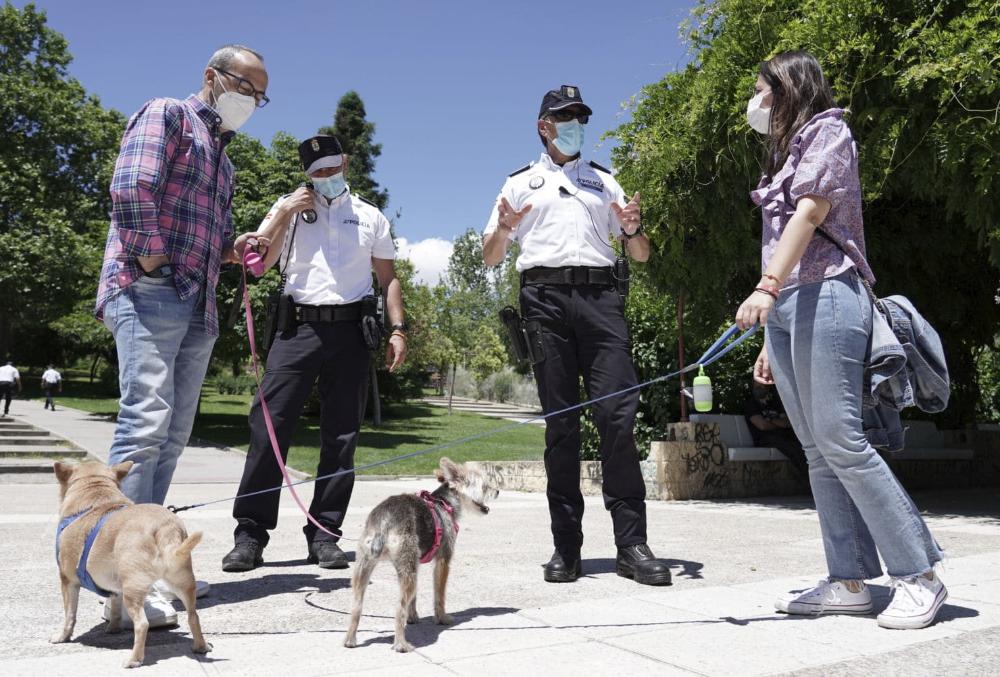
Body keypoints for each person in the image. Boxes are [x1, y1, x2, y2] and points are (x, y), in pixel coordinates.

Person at [735, 51, 947, 629]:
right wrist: (770, 333)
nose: (756, 102)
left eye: (762, 90)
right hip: (789, 308)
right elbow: (782, 233)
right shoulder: (782, 155)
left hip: (827, 293)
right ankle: (848, 579)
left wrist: (767, 286)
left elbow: (810, 214)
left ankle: (919, 574)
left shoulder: (830, 131)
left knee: (842, 440)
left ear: (788, 89)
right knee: (816, 451)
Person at [94, 44, 270, 625]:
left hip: (197, 304)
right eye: (246, 87)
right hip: (150, 291)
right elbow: (130, 189)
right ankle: (123, 578)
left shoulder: (226, 162)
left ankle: (150, 564)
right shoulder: (167, 114)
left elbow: (206, 242)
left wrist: (232, 249)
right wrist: (151, 264)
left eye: (259, 96)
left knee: (172, 435)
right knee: (145, 423)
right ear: (212, 78)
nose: (252, 101)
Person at [482, 85, 671, 586]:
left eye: (580, 116)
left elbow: (641, 254)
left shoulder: (605, 181)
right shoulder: (519, 183)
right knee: (562, 427)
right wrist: (503, 229)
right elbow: (491, 256)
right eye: (565, 116)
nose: (575, 123)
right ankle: (566, 548)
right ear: (544, 125)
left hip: (602, 303)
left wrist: (632, 229)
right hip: (544, 303)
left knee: (618, 417)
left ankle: (632, 544)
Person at [221, 134, 407, 572]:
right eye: (317, 171)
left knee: (341, 437)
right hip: (297, 329)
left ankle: (325, 533)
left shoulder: (370, 217)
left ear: (345, 161)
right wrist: (284, 212)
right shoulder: (289, 209)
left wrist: (399, 329)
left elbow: (388, 278)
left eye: (332, 166)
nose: (327, 176)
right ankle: (250, 534)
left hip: (351, 333)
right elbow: (255, 262)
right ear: (307, 174)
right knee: (269, 428)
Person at [743, 379, 808, 484]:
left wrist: (770, 421)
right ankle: (808, 482)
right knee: (793, 449)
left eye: (762, 385)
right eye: (757, 385)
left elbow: (787, 422)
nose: (759, 387)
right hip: (765, 439)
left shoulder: (774, 403)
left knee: (804, 445)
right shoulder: (751, 405)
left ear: (768, 387)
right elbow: (762, 425)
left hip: (783, 435)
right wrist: (777, 422)